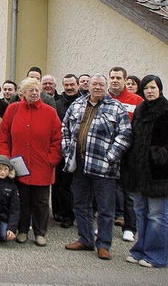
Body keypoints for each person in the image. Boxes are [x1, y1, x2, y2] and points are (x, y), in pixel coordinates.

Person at [62, 74, 132, 261]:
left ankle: (103, 245)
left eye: (101, 84)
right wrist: (67, 150)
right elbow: (65, 129)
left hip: (104, 167)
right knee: (80, 204)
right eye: (95, 84)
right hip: (79, 164)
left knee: (105, 209)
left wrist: (110, 157)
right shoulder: (77, 104)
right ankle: (85, 239)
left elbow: (124, 136)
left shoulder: (116, 107)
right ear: (89, 86)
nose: (98, 87)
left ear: (106, 86)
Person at [0, 77, 62, 247]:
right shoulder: (13, 109)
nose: (34, 93)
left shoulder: (49, 112)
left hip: (43, 165)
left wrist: (52, 159)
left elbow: (58, 139)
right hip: (19, 165)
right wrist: (6, 160)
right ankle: (23, 230)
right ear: (22, 93)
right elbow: (3, 136)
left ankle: (40, 233)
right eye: (30, 90)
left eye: (36, 90)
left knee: (41, 202)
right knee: (22, 200)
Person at [124, 75, 168, 268]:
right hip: (138, 172)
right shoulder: (141, 109)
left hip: (159, 173)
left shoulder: (166, 110)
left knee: (157, 216)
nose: (149, 91)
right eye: (146, 88)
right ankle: (140, 249)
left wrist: (159, 154)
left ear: (160, 89)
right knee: (141, 212)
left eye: (153, 88)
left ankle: (156, 255)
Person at [108, 66, 143, 243]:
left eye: (118, 78)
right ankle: (104, 225)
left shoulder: (136, 100)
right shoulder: (104, 99)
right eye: (112, 77)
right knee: (107, 191)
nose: (115, 81)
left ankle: (129, 227)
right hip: (107, 153)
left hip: (128, 153)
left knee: (129, 193)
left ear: (125, 80)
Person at [52, 74, 81, 228]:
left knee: (79, 185)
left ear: (77, 85)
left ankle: (80, 214)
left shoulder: (85, 103)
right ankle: (65, 214)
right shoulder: (57, 104)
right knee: (62, 184)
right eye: (66, 85)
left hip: (80, 150)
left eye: (72, 85)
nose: (69, 88)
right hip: (62, 150)